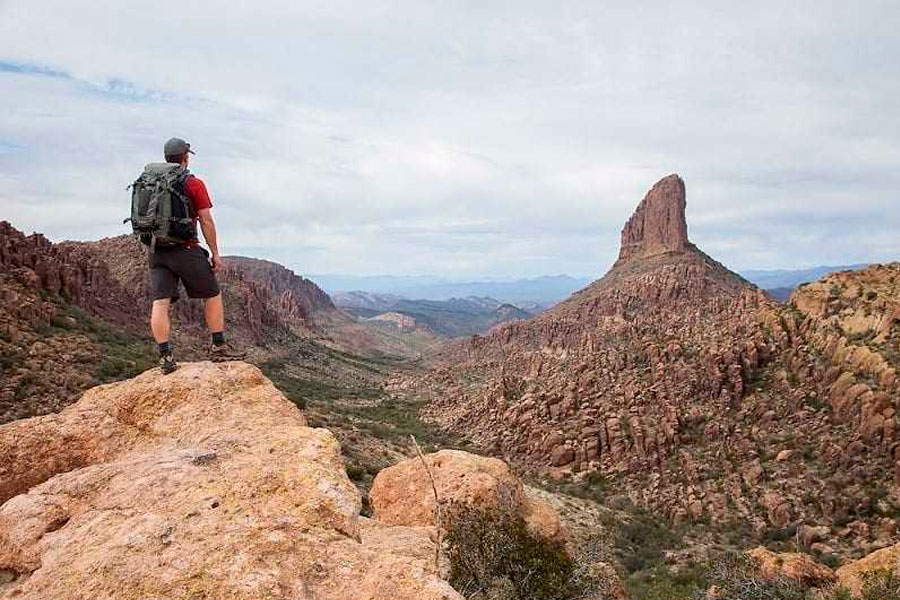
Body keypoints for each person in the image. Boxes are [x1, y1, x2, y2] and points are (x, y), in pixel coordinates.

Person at [150, 137, 245, 373]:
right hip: (185, 248)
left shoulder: (150, 182)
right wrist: (215, 253)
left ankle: (164, 356)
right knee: (212, 294)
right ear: (185, 157)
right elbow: (206, 220)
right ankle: (218, 346)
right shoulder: (193, 183)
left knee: (161, 302)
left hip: (156, 250)